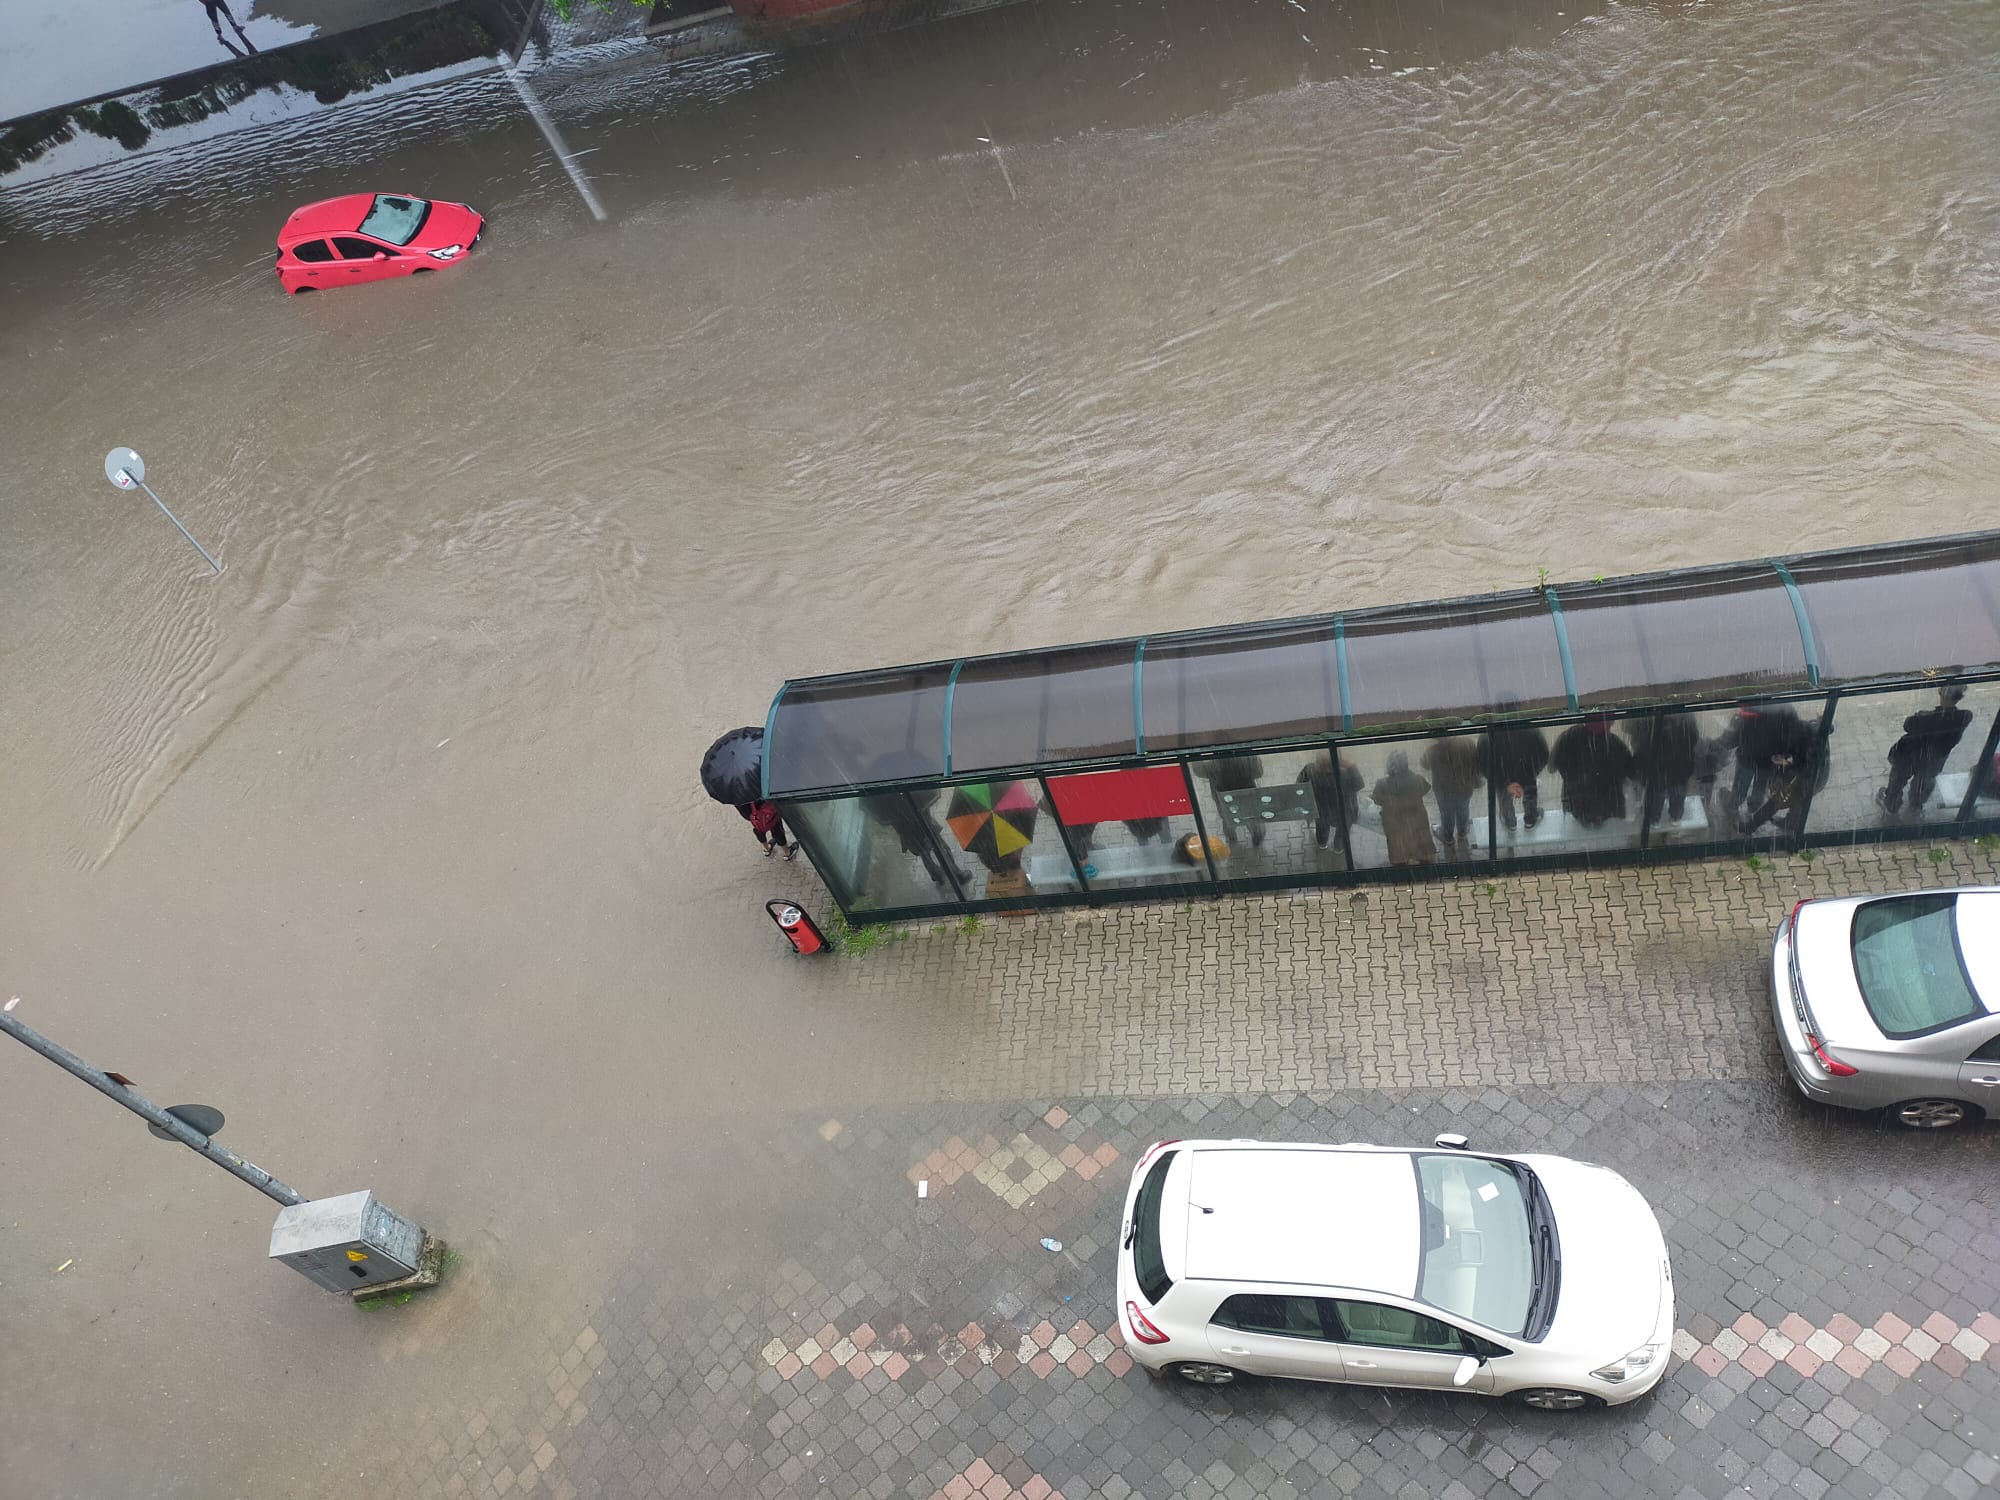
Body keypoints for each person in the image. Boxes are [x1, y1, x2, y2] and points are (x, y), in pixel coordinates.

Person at [1878, 686, 1974, 818]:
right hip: (1935, 758)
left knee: (1898, 780)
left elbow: (1908, 725)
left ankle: (1891, 806)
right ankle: (1915, 806)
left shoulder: (1924, 717)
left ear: (1941, 693)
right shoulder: (1964, 717)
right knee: (1924, 781)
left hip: (1910, 755)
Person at [1717, 700, 1803, 821]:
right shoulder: (1785, 708)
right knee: (1761, 786)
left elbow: (1732, 737)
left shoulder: (1748, 708)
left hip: (1747, 756)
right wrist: (1784, 753)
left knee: (1741, 784)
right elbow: (1793, 732)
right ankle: (1753, 809)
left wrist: (1716, 745)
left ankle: (1733, 807)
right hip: (1769, 759)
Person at [1549, 713, 1635, 828]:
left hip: (1577, 807)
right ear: (1608, 724)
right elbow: (1632, 773)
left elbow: (1551, 767)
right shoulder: (1615, 745)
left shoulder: (1568, 737)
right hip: (1609, 809)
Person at [1482, 707, 1550, 833]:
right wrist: (1531, 773)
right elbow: (1544, 754)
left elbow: (1482, 761)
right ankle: (1530, 819)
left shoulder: (1489, 733)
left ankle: (1509, 822)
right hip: (1527, 773)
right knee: (1530, 794)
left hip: (1501, 775)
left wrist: (1504, 781)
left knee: (1504, 797)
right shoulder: (1531, 729)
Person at [1628, 713, 1702, 826]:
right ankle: (1676, 817)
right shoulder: (1684, 718)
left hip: (1656, 769)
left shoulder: (1648, 720)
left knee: (1657, 794)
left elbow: (1637, 740)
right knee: (1677, 792)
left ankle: (1653, 819)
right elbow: (1694, 738)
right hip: (1679, 767)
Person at [1420, 736, 1484, 860]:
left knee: (1446, 812)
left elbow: (1424, 764)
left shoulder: (1434, 750)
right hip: (1464, 786)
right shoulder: (1467, 743)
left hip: (1444, 789)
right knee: (1463, 808)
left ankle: (1448, 836)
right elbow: (1477, 761)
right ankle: (1462, 831)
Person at [1370, 751, 1435, 866]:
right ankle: (1423, 859)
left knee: (1397, 841)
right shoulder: (1417, 779)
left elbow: (1377, 799)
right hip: (1416, 815)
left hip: (1393, 818)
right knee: (1420, 837)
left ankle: (1400, 861)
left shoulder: (1382, 784)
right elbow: (1425, 789)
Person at [1296, 751, 1364, 851]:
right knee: (1341, 832)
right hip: (1343, 811)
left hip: (1322, 810)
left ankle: (1322, 844)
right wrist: (1351, 766)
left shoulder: (1310, 770)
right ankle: (1338, 848)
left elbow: (1299, 785)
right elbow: (1359, 785)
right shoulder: (1344, 773)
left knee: (1322, 828)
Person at [1197, 755, 1267, 847]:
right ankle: (1257, 838)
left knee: (1228, 821)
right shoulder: (1245, 759)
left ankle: (1232, 840)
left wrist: (1195, 758)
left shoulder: (1215, 764)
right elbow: (1258, 773)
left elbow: (1200, 771)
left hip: (1224, 799)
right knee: (1251, 818)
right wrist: (1254, 758)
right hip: (1246, 795)